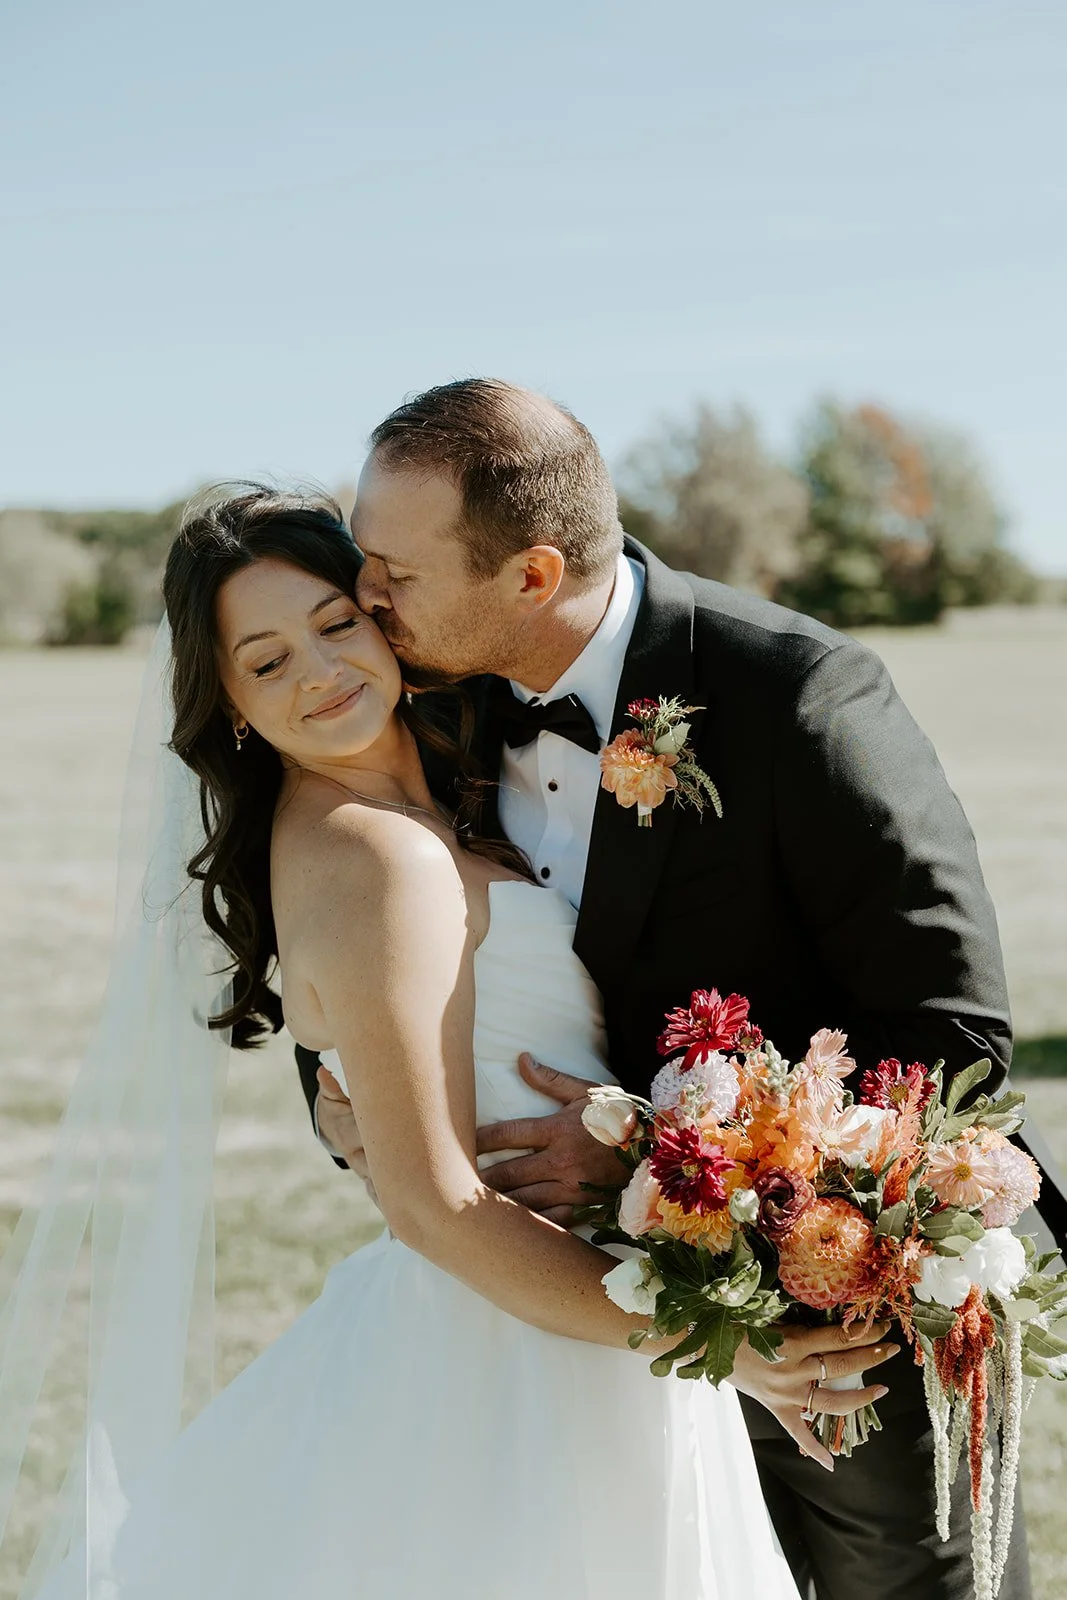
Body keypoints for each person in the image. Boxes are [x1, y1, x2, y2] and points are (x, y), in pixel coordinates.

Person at [8, 486, 880, 1600]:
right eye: (266, 662)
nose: (321, 672)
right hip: (513, 1362)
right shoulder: (379, 857)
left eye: (335, 624)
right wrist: (716, 1342)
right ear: (226, 703)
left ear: (384, 612)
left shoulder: (418, 816)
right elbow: (430, 1205)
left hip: (552, 1321)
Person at [304, 379, 1048, 1600]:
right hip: (570, 1344)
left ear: (532, 576)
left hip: (839, 1323)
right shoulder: (421, 705)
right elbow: (360, 940)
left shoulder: (796, 695)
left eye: (392, 568)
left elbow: (947, 1043)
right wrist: (345, 1102)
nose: (363, 597)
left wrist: (659, 1165)